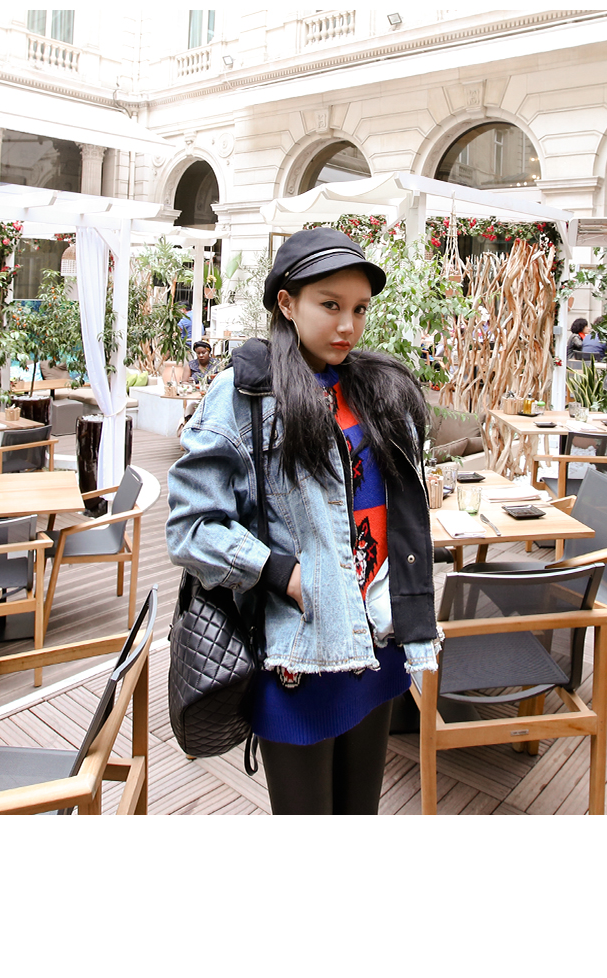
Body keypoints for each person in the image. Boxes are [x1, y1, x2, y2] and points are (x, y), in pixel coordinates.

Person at [166, 227, 440, 815]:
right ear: (287, 304)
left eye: (359, 309)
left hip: (377, 643)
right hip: (299, 654)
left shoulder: (375, 388)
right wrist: (281, 574)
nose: (347, 325)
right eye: (330, 305)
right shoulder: (244, 395)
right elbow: (191, 526)